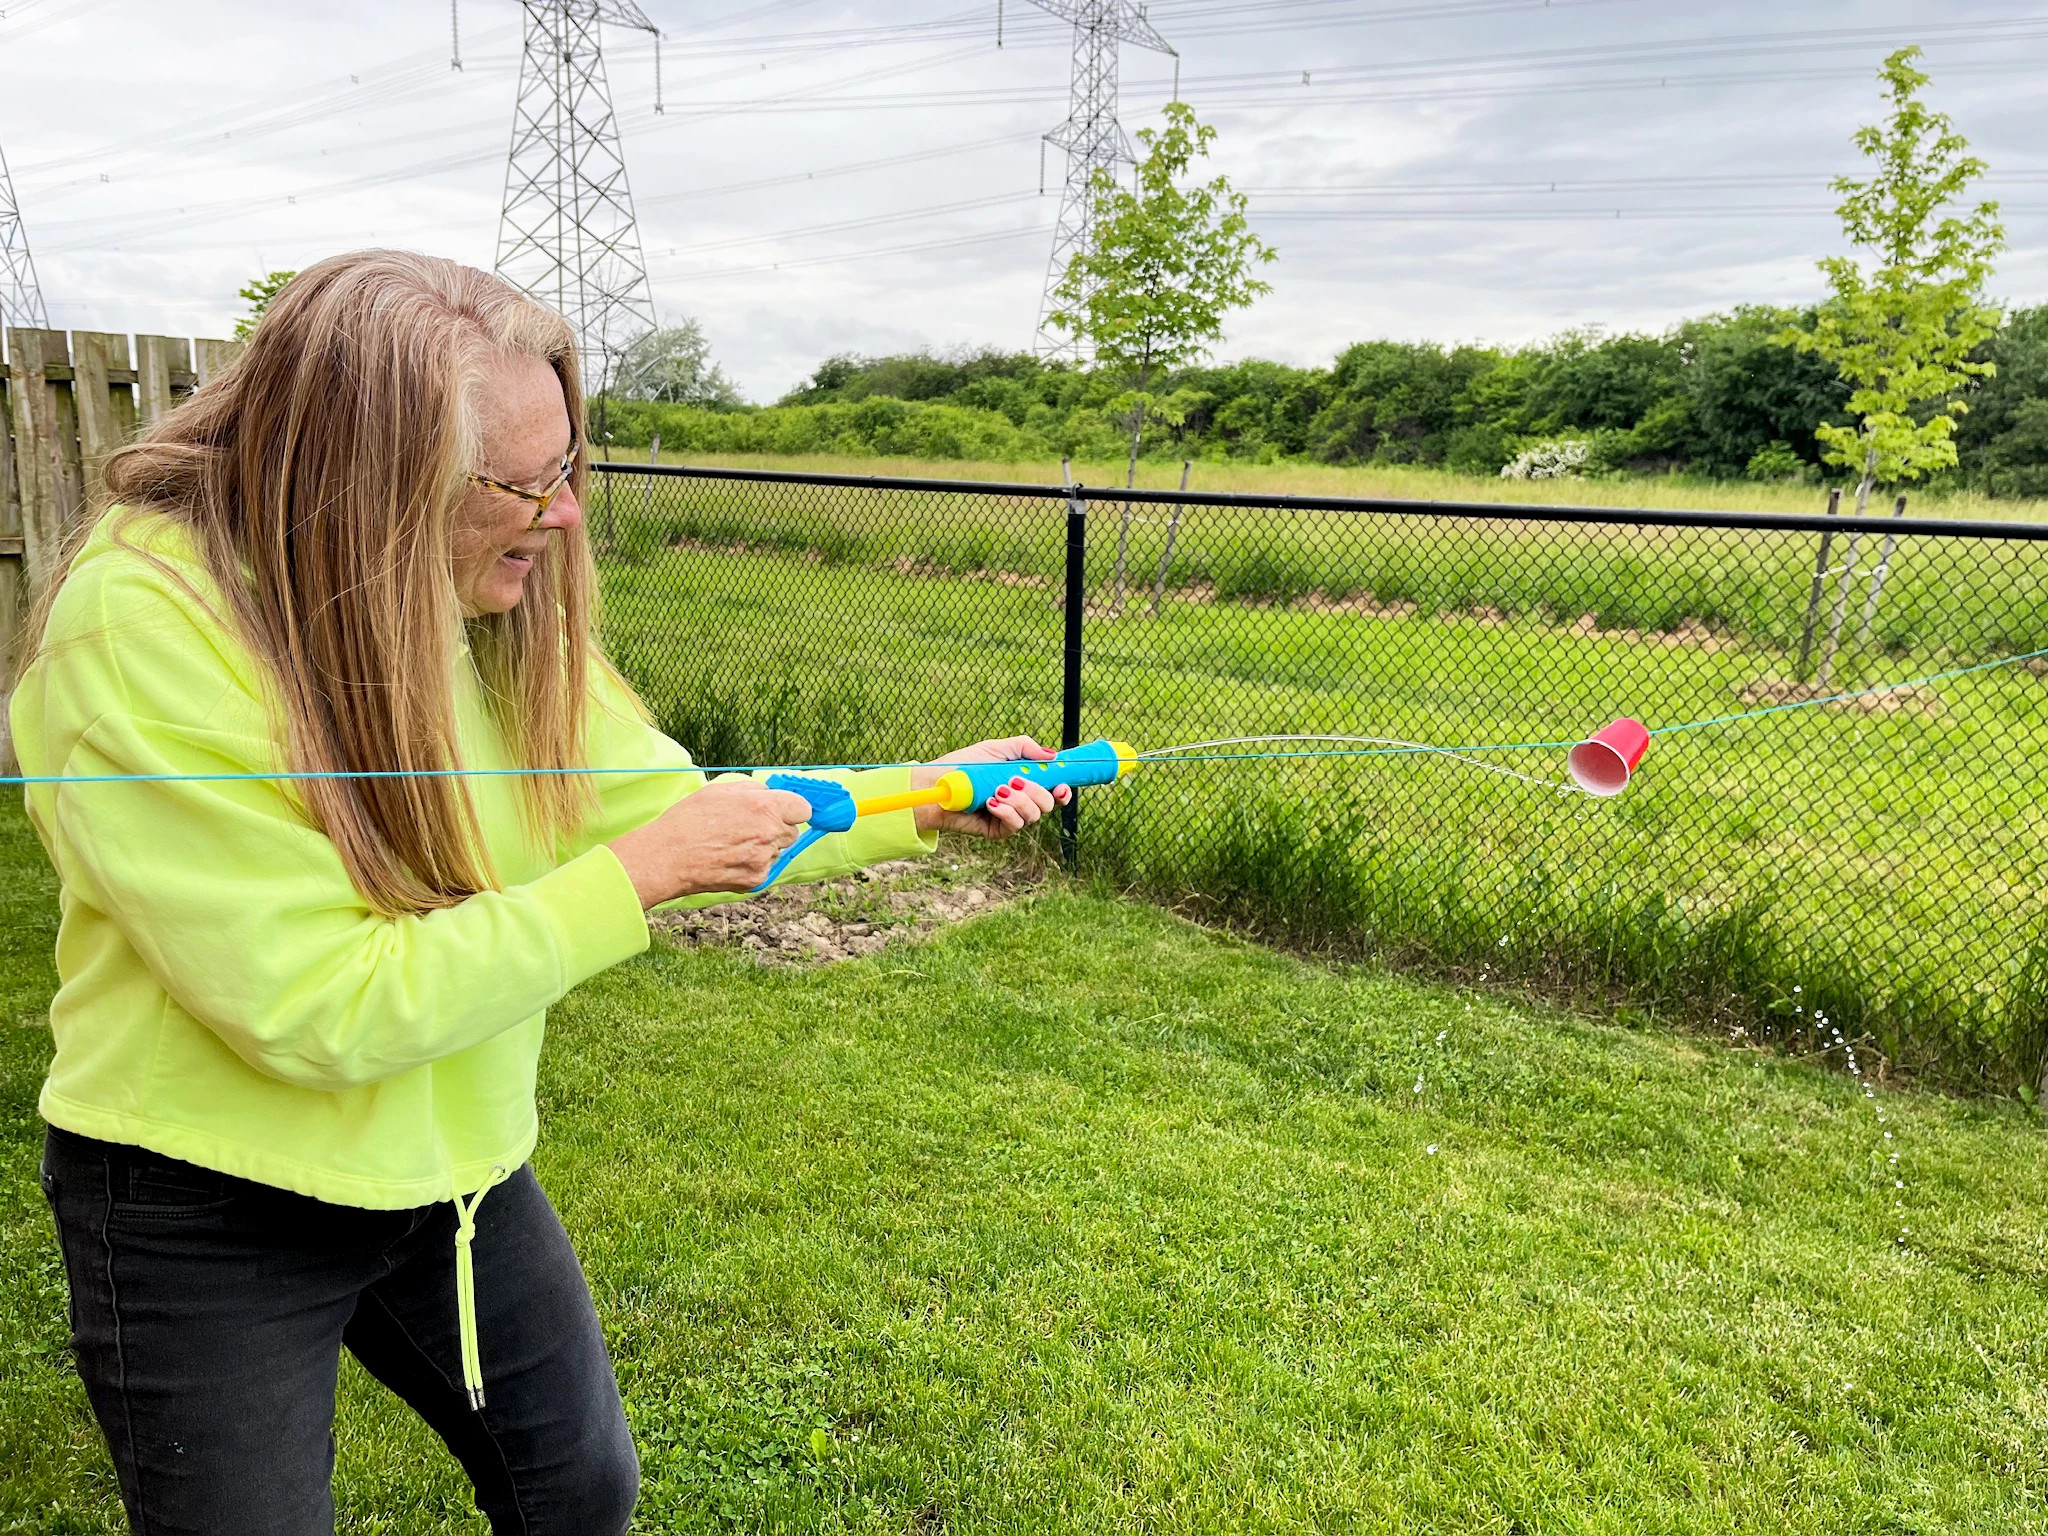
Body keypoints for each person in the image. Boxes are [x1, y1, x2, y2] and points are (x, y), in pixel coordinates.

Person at [16, 250, 1066, 1535]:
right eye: (522, 484)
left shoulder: (485, 609)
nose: (562, 515)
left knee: (576, 1489)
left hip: (449, 1170)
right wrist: (629, 883)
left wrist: (930, 790)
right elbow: (312, 1005)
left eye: (566, 467)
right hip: (209, 1192)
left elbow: (683, 814)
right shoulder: (140, 626)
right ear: (367, 488)